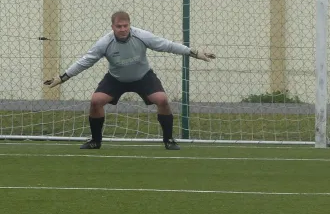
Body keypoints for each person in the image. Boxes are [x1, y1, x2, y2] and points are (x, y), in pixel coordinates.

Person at [43, 11, 216, 150]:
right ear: (112, 27)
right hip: (116, 79)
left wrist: (194, 53)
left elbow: (167, 45)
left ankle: (169, 140)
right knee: (96, 101)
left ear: (129, 25)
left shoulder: (142, 36)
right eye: (119, 26)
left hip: (143, 77)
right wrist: (63, 77)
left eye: (126, 26)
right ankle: (95, 141)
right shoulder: (104, 42)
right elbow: (85, 61)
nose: (123, 29)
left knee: (162, 100)